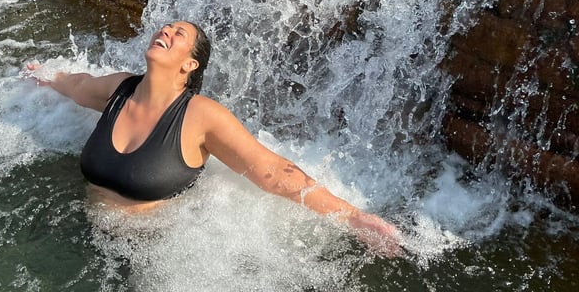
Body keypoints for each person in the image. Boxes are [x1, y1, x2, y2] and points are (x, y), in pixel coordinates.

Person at [27, 20, 403, 256]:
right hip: (84, 236)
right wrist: (46, 76)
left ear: (189, 65)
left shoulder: (201, 116)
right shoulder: (120, 88)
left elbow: (272, 171)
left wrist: (353, 217)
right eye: (165, 28)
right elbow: (78, 86)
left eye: (178, 34)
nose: (165, 32)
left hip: (148, 255)